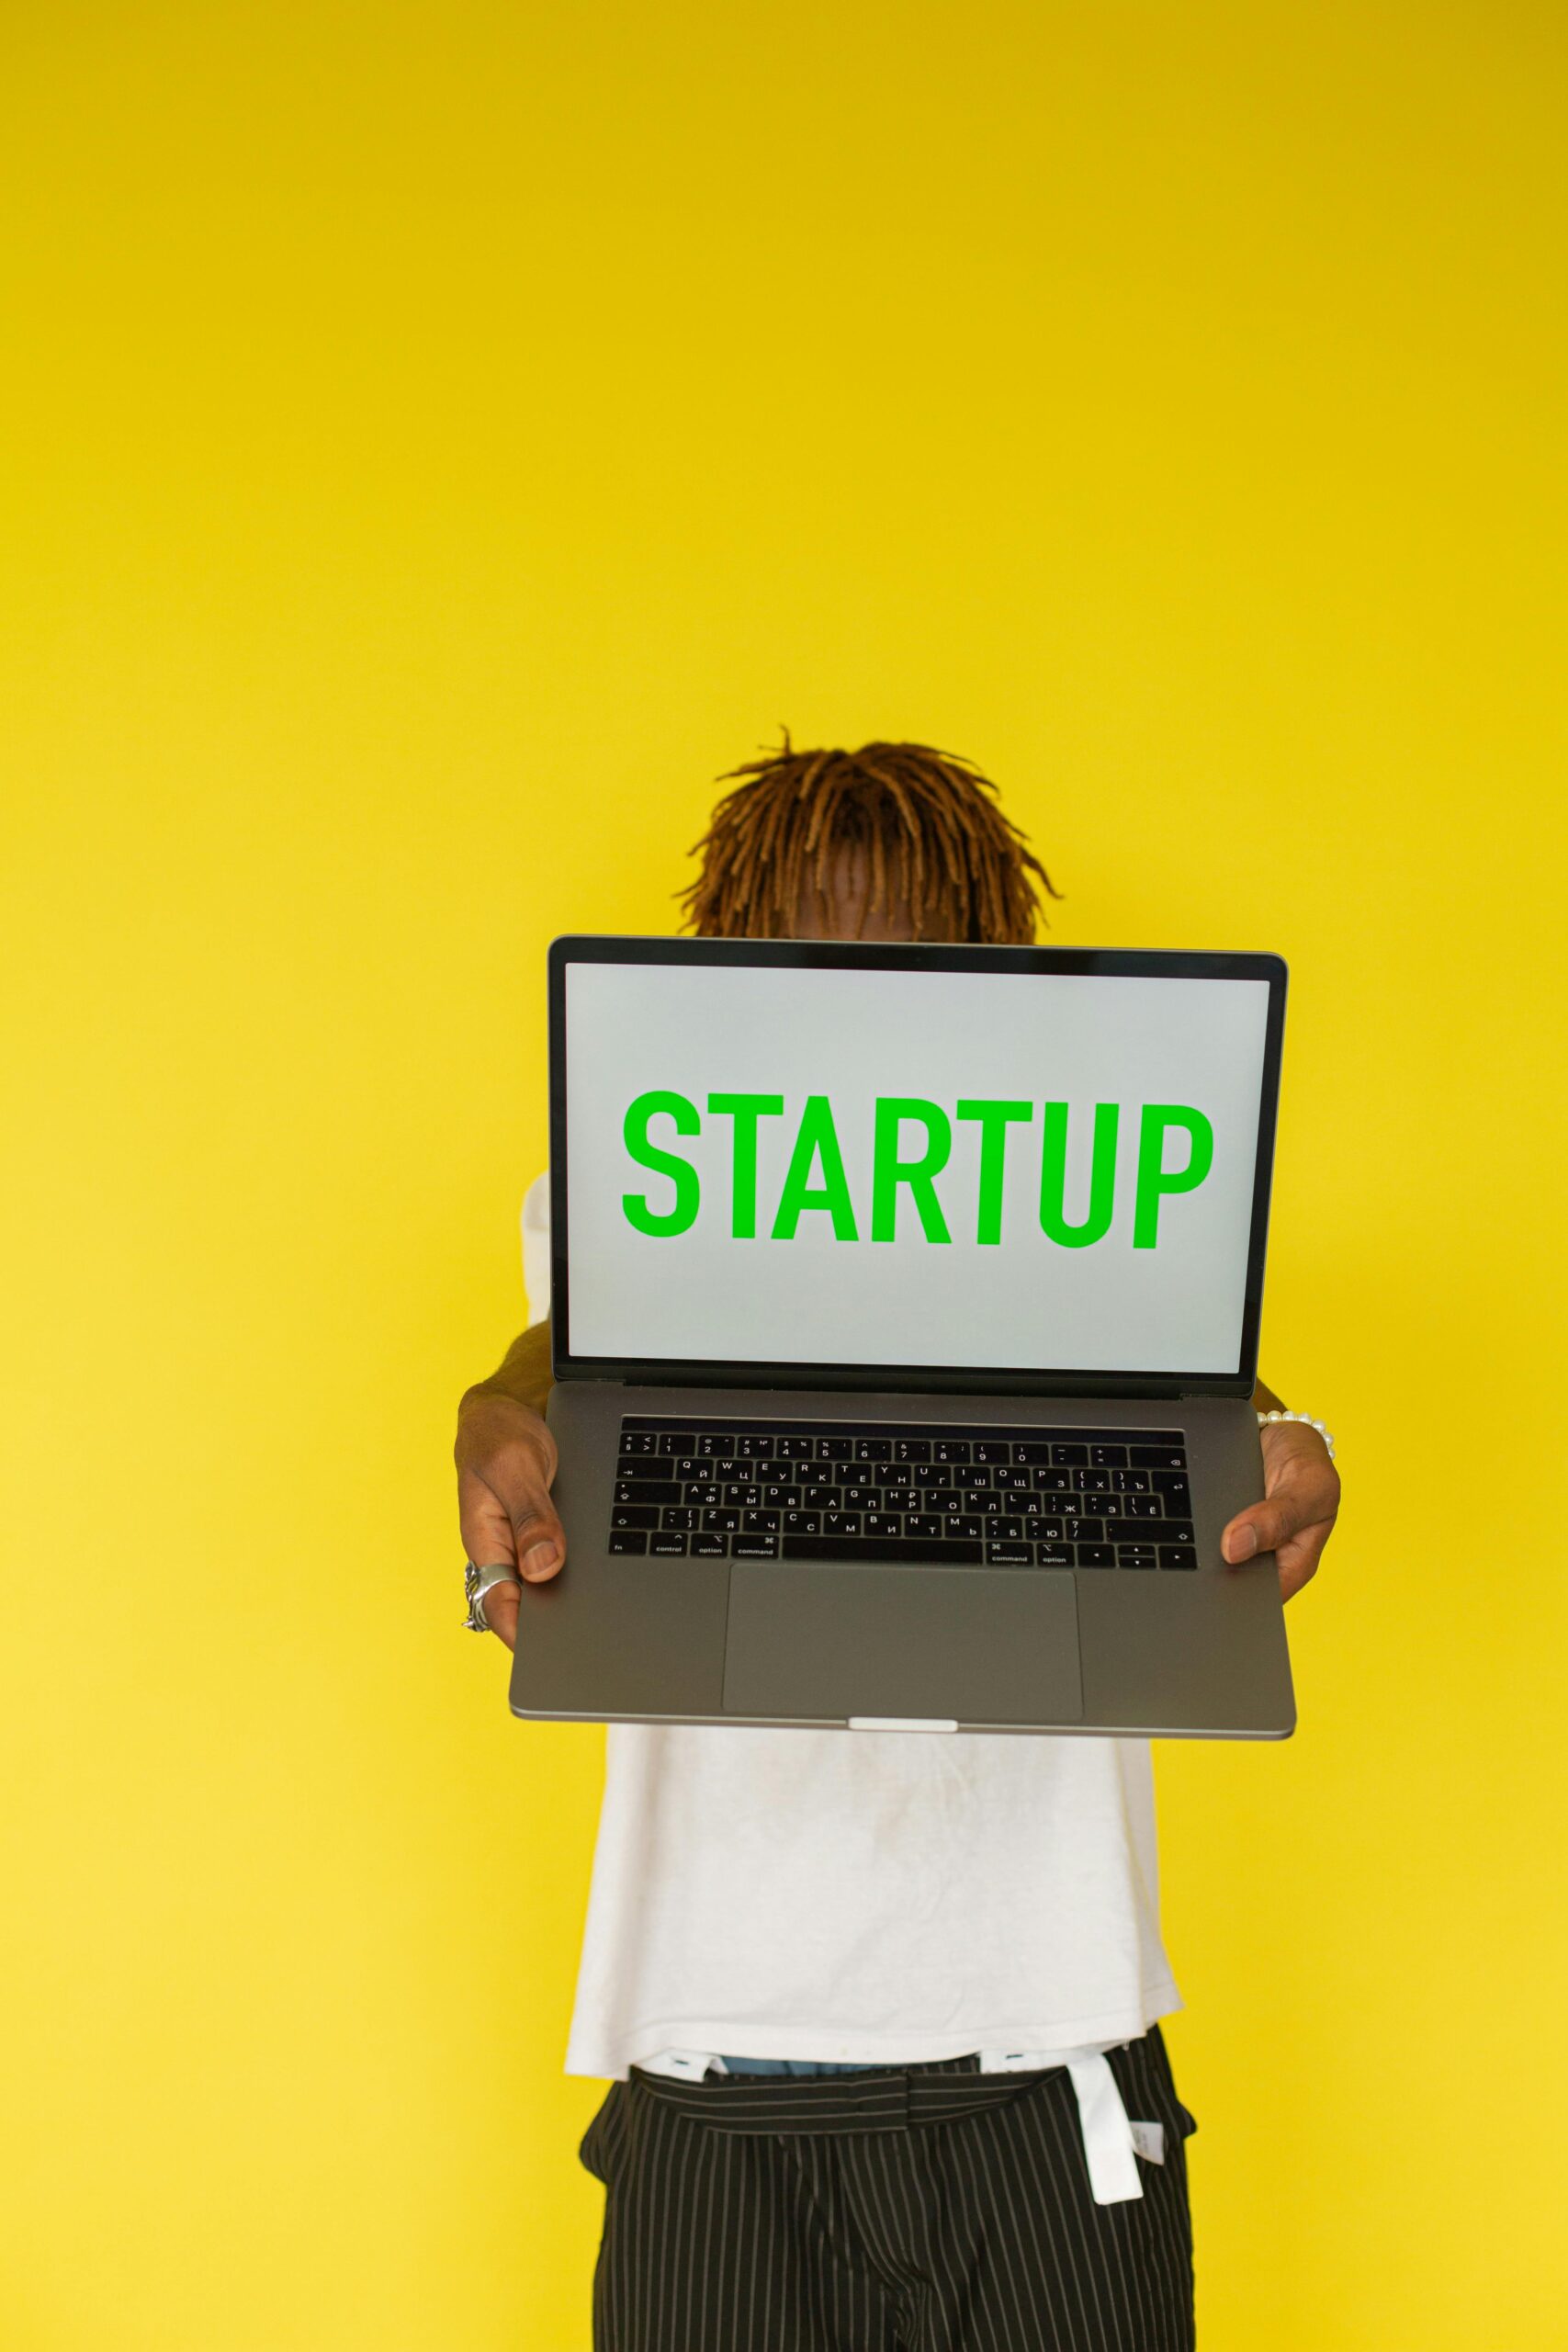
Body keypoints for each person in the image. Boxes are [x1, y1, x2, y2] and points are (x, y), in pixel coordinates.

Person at [455, 740, 1340, 2352]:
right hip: (712, 2055)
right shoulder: (637, 1180)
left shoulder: (1086, 1182)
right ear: (723, 962)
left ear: (992, 970)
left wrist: (1299, 1437)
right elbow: (561, 1345)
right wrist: (488, 1408)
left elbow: (1195, 1380)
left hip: (1047, 2049)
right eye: (806, 943)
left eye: (909, 944)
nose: (856, 981)